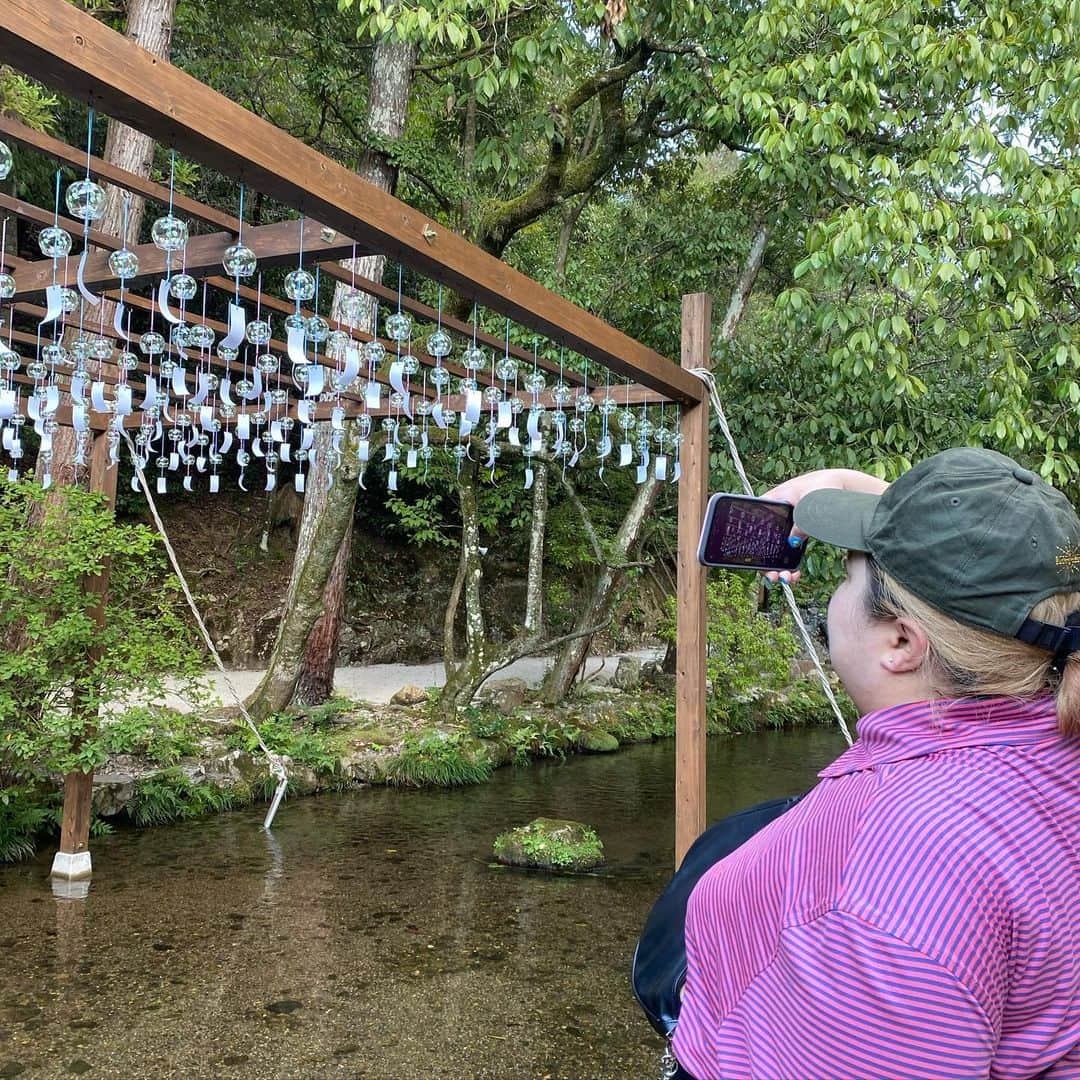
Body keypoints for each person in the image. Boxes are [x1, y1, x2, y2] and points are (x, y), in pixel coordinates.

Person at [671, 447, 1080, 1080]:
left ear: (900, 642)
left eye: (846, 576)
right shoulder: (1048, 727)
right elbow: (999, 560)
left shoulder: (899, 881)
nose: (835, 590)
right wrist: (846, 487)